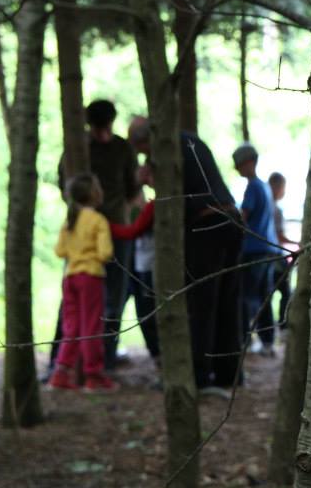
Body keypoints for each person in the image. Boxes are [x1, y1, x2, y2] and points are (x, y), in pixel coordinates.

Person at [127, 117, 244, 394]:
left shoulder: (166, 147)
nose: (144, 156)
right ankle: (229, 373)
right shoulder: (189, 138)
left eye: (141, 150)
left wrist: (149, 180)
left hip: (206, 226)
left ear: (144, 141)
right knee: (227, 302)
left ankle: (199, 376)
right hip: (231, 220)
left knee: (201, 303)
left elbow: (171, 198)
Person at [47, 100, 138, 377]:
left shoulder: (122, 148)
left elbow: (133, 188)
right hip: (84, 235)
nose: (103, 134)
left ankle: (102, 365)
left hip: (117, 230)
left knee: (113, 301)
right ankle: (59, 365)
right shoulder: (77, 149)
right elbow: (65, 186)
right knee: (73, 305)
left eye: (107, 128)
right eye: (98, 129)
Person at [48, 173, 118, 393]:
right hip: (91, 277)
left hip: (69, 277)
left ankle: (60, 374)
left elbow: (60, 251)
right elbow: (105, 253)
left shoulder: (70, 221)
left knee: (72, 327)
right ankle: (93, 376)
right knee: (91, 326)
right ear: (94, 194)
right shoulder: (98, 220)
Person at [111, 164, 159, 365]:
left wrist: (103, 225)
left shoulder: (154, 205)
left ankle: (158, 354)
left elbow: (131, 231)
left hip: (148, 266)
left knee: (147, 311)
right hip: (141, 265)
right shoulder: (148, 205)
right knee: (143, 310)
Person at [234, 143, 279, 357]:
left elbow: (243, 217)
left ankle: (246, 341)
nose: (237, 169)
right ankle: (267, 341)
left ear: (250, 162)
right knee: (264, 297)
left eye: (239, 164)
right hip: (268, 249)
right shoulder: (266, 187)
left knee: (247, 297)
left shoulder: (253, 187)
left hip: (253, 250)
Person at [269, 172, 297, 332]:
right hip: (274, 257)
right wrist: (296, 243)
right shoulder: (276, 210)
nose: (284, 191)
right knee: (285, 291)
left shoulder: (267, 206)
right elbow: (279, 236)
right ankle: (282, 325)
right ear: (277, 187)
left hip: (269, 255)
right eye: (283, 188)